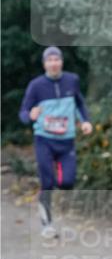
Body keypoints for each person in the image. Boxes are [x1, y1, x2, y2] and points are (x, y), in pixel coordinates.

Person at [19, 47, 93, 238]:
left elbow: (79, 103)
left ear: (61, 62)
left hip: (67, 141)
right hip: (44, 140)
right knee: (47, 183)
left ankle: (59, 206)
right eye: (49, 60)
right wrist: (30, 116)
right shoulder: (36, 85)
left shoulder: (72, 80)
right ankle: (47, 224)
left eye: (56, 59)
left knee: (67, 182)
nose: (53, 63)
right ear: (44, 64)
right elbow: (23, 113)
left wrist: (85, 121)